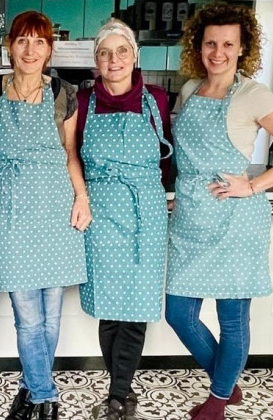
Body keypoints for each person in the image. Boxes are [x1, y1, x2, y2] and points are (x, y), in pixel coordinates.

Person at [164, 3, 273, 420]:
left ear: (242, 47)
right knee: (178, 314)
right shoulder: (191, 89)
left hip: (235, 220)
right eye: (210, 43)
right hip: (192, 217)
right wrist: (184, 192)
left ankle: (218, 399)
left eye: (228, 44)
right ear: (198, 46)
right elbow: (189, 159)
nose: (218, 52)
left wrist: (252, 184)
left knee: (232, 320)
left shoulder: (253, 94)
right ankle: (227, 381)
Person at [0, 10, 90, 420]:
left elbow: (70, 153)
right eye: (22, 40)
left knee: (51, 317)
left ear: (49, 49)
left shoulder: (64, 93)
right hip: (9, 213)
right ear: (9, 45)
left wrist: (82, 197)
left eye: (39, 41)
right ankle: (44, 396)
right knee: (28, 317)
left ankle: (30, 390)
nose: (30, 49)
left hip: (55, 209)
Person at [75, 18, 173, 420]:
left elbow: (170, 158)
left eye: (121, 51)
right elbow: (71, 156)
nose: (113, 60)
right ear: (95, 60)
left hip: (145, 212)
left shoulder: (157, 99)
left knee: (135, 309)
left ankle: (118, 395)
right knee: (110, 306)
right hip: (100, 212)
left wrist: (168, 194)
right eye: (104, 53)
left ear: (135, 55)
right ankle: (121, 390)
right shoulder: (82, 101)